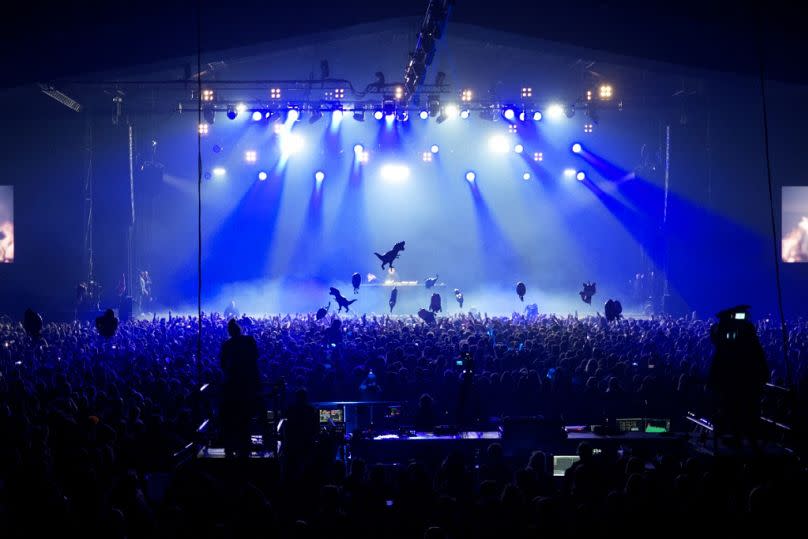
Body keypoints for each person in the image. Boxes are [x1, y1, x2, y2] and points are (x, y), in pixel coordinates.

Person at [707, 307, 769, 450]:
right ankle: (744, 438)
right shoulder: (749, 342)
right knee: (742, 411)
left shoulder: (733, 345)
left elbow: (717, 348)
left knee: (736, 409)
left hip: (737, 384)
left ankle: (742, 437)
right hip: (746, 384)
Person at [219, 318, 261, 458]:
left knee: (233, 417)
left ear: (230, 331)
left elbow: (223, 364)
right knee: (246, 417)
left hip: (233, 386)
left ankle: (232, 447)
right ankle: (245, 446)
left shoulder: (228, 344)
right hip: (249, 384)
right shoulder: (249, 340)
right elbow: (256, 356)